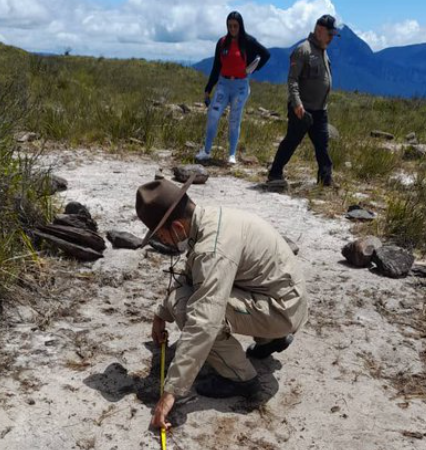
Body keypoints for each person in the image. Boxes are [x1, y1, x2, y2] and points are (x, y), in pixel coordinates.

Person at [135, 176, 308, 429]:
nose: (164, 243)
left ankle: (241, 378)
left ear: (178, 229)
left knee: (187, 307)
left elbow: (204, 321)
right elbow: (193, 274)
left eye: (162, 237)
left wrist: (170, 392)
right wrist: (160, 314)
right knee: (187, 296)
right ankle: (270, 339)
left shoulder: (212, 248)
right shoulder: (210, 219)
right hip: (286, 300)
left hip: (281, 311)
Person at [267, 14, 339, 187]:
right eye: (330, 34)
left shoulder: (323, 52)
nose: (331, 39)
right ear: (320, 31)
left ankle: (325, 179)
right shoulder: (303, 50)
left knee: (322, 145)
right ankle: (275, 173)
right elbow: (293, 80)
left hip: (320, 110)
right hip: (302, 109)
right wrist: (297, 104)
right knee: (291, 141)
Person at [196, 11, 270, 165]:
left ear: (240, 25)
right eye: (230, 26)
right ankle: (206, 151)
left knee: (234, 120)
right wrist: (208, 88)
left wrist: (252, 69)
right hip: (223, 84)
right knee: (213, 116)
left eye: (235, 26)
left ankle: (231, 155)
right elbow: (216, 66)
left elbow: (266, 54)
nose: (232, 29)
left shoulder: (248, 41)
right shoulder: (222, 42)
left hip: (240, 86)